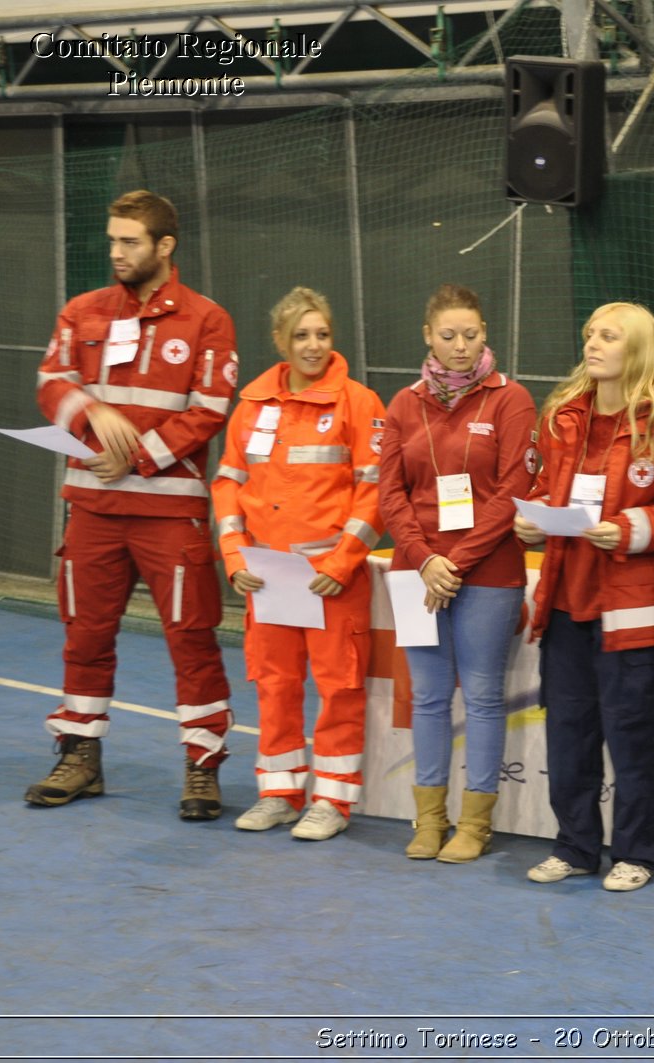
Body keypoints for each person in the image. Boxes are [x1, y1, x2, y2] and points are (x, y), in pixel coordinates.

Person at [27, 189, 238, 820]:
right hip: (92, 510)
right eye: (113, 240)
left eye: (130, 242)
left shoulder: (207, 320)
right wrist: (90, 408)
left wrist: (138, 457)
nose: (116, 252)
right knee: (84, 636)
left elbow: (208, 413)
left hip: (170, 514)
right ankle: (79, 755)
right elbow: (49, 382)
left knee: (192, 639)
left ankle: (202, 767)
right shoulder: (82, 311)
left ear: (164, 246)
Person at [514, 302, 654, 893]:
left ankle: (636, 853)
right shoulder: (562, 415)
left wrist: (630, 530)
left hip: (634, 613)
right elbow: (542, 486)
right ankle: (575, 847)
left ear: (637, 348)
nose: (592, 344)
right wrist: (534, 520)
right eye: (590, 332)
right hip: (566, 603)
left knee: (630, 737)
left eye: (608, 337)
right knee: (568, 732)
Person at [210, 287, 386, 841]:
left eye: (323, 334)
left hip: (330, 581)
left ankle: (332, 801)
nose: (314, 345)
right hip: (268, 578)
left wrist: (342, 562)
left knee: (339, 688)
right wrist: (234, 555)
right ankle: (279, 793)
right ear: (280, 342)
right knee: (274, 685)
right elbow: (227, 485)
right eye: (302, 335)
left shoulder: (360, 403)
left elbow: (374, 493)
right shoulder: (252, 405)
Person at [378, 284, 538, 862]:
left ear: (485, 333)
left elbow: (513, 490)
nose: (461, 346)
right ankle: (428, 820)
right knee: (427, 697)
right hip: (413, 573)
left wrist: (457, 561)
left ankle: (475, 824)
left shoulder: (511, 400)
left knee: (485, 696)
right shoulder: (402, 404)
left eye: (471, 334)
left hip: (489, 573)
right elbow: (390, 495)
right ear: (428, 336)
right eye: (448, 336)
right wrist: (424, 560)